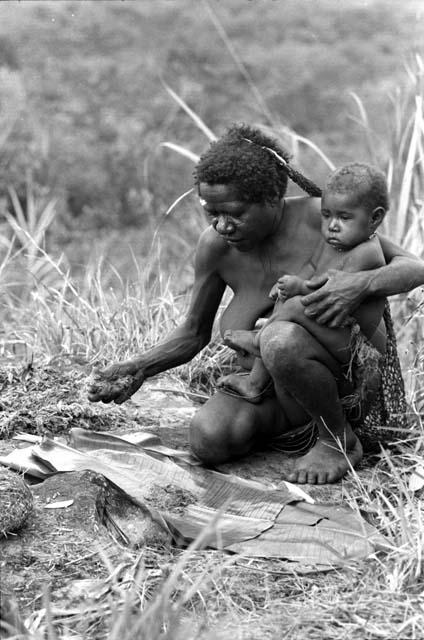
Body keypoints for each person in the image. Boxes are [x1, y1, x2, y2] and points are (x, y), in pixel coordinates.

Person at [88, 124, 424, 484]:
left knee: (279, 339)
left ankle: (337, 439)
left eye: (234, 213)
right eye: (210, 212)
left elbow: (414, 267)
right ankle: (295, 432)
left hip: (339, 389)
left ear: (271, 198)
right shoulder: (216, 248)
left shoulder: (327, 220)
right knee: (208, 438)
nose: (221, 226)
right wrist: (140, 366)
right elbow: (193, 332)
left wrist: (359, 284)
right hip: (272, 389)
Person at [217, 162, 389, 405]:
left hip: (349, 344)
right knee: (287, 300)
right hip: (328, 330)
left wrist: (300, 287)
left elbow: (330, 294)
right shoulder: (339, 245)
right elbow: (321, 284)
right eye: (327, 215)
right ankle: (255, 383)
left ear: (375, 218)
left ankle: (258, 341)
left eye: (344, 217)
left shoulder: (367, 253)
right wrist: (291, 287)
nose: (332, 226)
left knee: (295, 305)